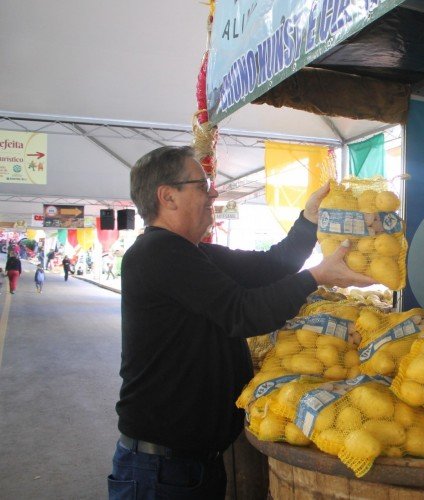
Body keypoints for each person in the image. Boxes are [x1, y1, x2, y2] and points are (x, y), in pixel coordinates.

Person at [109, 145, 375, 499]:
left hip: (190, 463)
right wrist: (316, 277)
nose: (213, 194)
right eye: (202, 186)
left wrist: (310, 219)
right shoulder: (157, 254)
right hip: (161, 469)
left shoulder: (193, 253)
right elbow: (244, 313)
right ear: (167, 196)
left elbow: (270, 266)